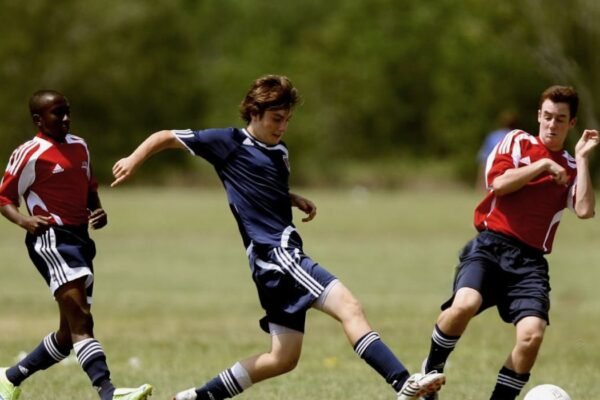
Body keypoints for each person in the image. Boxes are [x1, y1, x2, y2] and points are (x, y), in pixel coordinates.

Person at [110, 74, 446, 400]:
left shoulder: (279, 151)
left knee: (282, 359)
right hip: (278, 255)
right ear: (254, 113)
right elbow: (167, 135)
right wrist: (133, 159)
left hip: (271, 263)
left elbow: (263, 187)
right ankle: (403, 381)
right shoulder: (228, 143)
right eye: (276, 118)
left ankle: (195, 397)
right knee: (349, 307)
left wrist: (292, 198)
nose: (282, 126)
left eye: (287, 119)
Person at [420, 85, 598, 400]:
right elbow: (498, 184)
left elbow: (584, 210)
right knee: (465, 304)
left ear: (571, 124)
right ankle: (430, 370)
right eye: (546, 117)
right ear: (538, 116)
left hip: (530, 262)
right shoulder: (517, 141)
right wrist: (542, 165)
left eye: (560, 119)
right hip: (490, 246)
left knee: (531, 336)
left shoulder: (571, 167)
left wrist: (583, 159)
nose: (551, 125)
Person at [0, 90, 153, 400]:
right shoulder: (30, 152)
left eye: (67, 111)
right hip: (51, 239)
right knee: (82, 318)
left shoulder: (80, 146)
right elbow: (4, 197)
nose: (66, 118)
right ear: (38, 120)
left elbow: (89, 187)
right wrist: (24, 221)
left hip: (81, 239)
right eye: (58, 113)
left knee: (69, 333)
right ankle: (109, 393)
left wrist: (96, 208)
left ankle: (8, 378)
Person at [475, 110, 519, 189]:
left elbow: (484, 159)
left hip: (494, 172)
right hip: (510, 175)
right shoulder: (519, 137)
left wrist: (480, 182)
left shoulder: (493, 136)